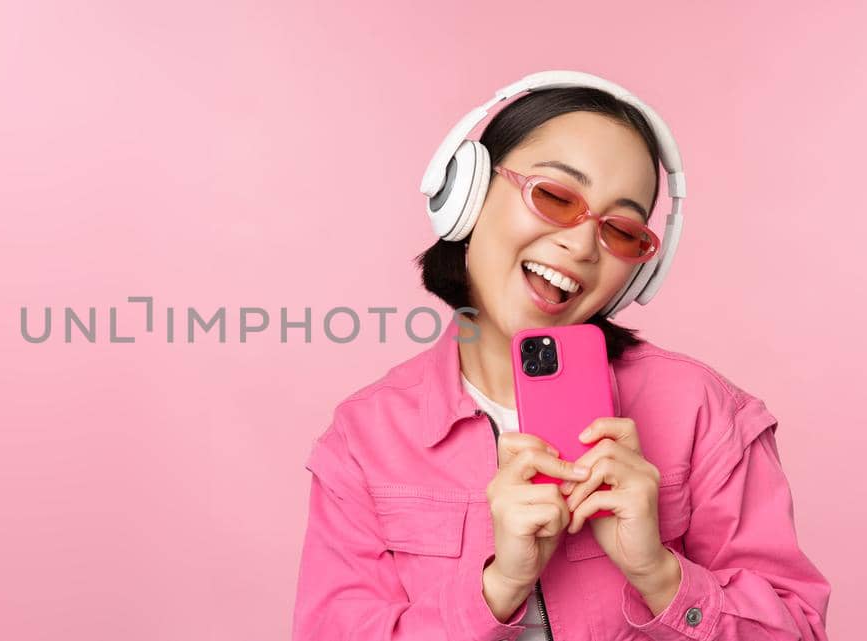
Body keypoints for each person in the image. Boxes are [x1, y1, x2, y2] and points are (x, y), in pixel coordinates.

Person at [291, 75, 831, 640]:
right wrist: (497, 588)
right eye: (553, 196)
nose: (580, 246)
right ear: (465, 195)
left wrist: (659, 574)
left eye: (621, 230)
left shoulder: (706, 413)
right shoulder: (363, 439)